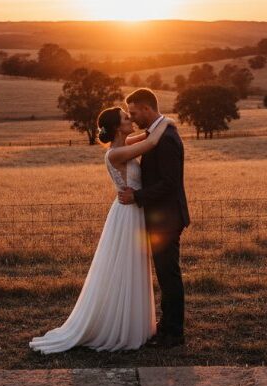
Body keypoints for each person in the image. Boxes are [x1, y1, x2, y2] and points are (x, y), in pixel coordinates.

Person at [29, 105, 175, 353]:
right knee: (125, 266)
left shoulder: (124, 145)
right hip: (128, 214)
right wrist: (166, 120)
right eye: (126, 118)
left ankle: (131, 323)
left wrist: (158, 124)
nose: (130, 119)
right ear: (118, 126)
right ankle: (119, 327)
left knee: (132, 266)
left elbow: (148, 137)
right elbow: (150, 144)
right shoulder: (115, 154)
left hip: (133, 211)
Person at [118, 88, 190, 348]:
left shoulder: (167, 137)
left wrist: (137, 196)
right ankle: (168, 325)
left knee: (168, 274)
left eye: (135, 112)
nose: (132, 117)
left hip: (167, 217)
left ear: (147, 109)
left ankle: (173, 333)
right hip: (161, 216)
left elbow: (170, 183)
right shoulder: (155, 133)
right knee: (165, 273)